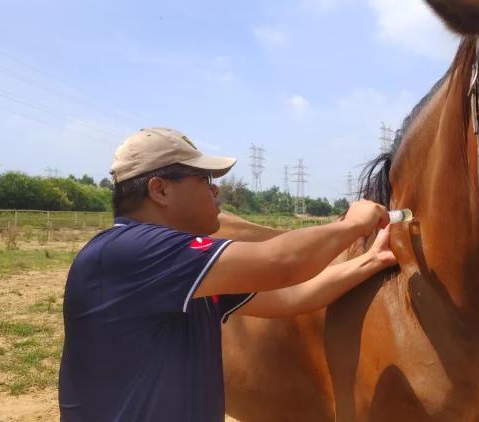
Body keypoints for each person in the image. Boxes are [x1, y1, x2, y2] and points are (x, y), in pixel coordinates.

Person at [58, 127, 397, 421]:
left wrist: (372, 260)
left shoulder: (181, 270)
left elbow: (294, 296)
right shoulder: (129, 251)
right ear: (159, 190)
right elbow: (282, 263)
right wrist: (354, 224)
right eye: (204, 179)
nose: (215, 189)